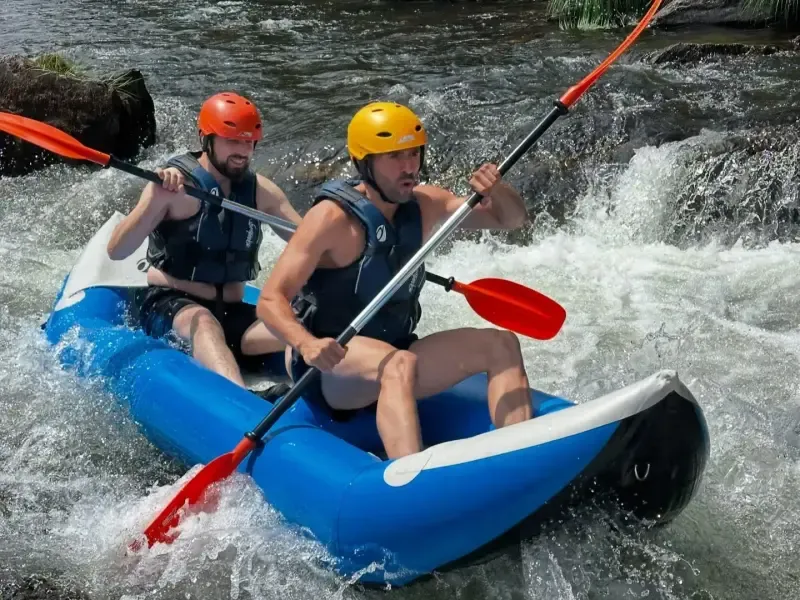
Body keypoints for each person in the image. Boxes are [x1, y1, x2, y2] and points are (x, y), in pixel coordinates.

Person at [256, 100, 533, 459]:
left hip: (398, 350)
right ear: (364, 163)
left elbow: (510, 220)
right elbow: (270, 300)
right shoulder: (329, 219)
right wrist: (306, 344)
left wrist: (498, 190)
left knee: (502, 344)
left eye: (413, 154)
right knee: (398, 364)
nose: (409, 168)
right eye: (394, 157)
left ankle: (521, 456)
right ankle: (413, 480)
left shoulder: (426, 203)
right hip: (332, 370)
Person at [107, 91, 302, 388]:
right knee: (206, 325)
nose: (243, 151)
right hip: (171, 304)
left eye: (248, 142)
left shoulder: (262, 192)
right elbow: (117, 250)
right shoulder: (175, 187)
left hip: (234, 313)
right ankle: (238, 406)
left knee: (302, 327)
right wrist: (154, 201)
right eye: (232, 140)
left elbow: (311, 245)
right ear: (206, 139)